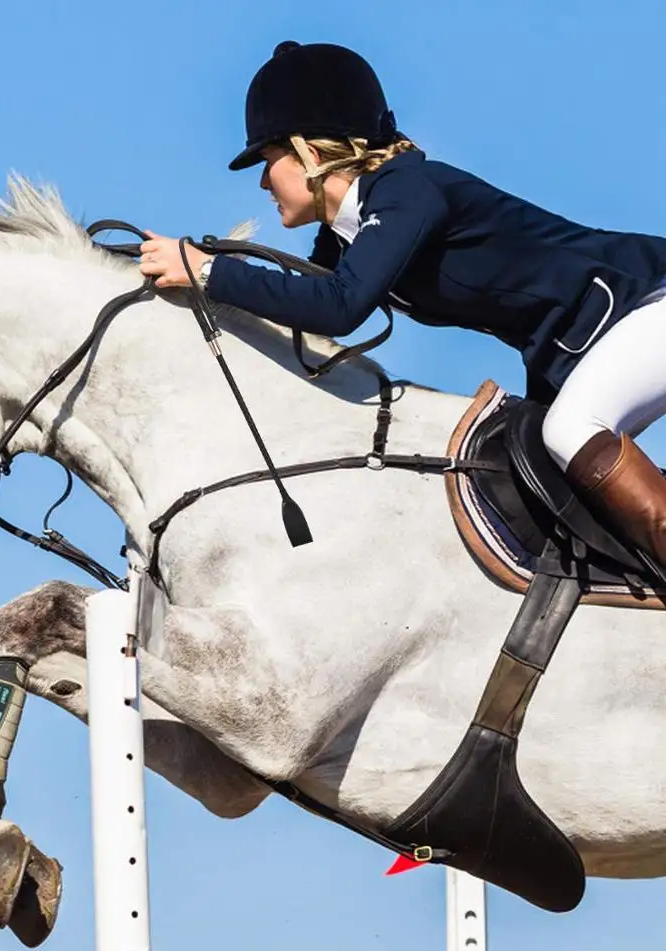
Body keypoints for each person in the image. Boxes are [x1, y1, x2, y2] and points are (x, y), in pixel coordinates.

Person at [138, 40, 666, 568]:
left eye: (268, 160)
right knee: (533, 479)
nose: (261, 180)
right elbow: (304, 300)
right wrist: (205, 281)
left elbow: (337, 308)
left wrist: (205, 270)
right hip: (584, 344)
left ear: (311, 155)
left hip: (648, 302)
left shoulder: (405, 191)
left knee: (570, 431)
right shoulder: (351, 228)